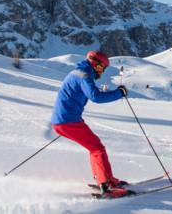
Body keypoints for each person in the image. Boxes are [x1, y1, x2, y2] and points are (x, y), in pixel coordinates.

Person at [51, 50, 130, 197]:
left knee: (94, 147)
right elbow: (96, 97)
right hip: (68, 121)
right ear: (95, 64)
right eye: (102, 67)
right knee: (97, 148)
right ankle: (106, 184)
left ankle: (105, 179)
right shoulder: (84, 75)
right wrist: (119, 93)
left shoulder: (77, 73)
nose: (102, 71)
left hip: (64, 120)